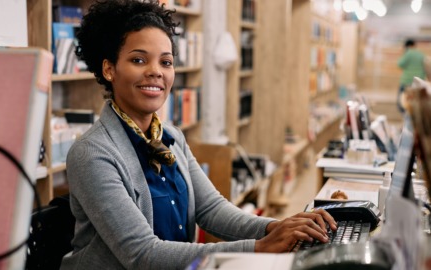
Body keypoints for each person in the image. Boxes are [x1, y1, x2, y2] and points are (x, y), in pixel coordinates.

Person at [60, 0, 337, 269]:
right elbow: (143, 255)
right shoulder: (92, 153)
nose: (155, 71)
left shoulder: (171, 137)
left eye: (165, 62)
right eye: (138, 59)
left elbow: (211, 210)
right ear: (109, 69)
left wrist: (276, 227)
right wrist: (259, 247)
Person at [397, 38, 426, 113]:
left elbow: (400, 64)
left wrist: (402, 53)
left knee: (402, 102)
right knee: (415, 103)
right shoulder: (421, 54)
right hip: (418, 82)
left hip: (406, 81)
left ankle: (406, 118)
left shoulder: (408, 53)